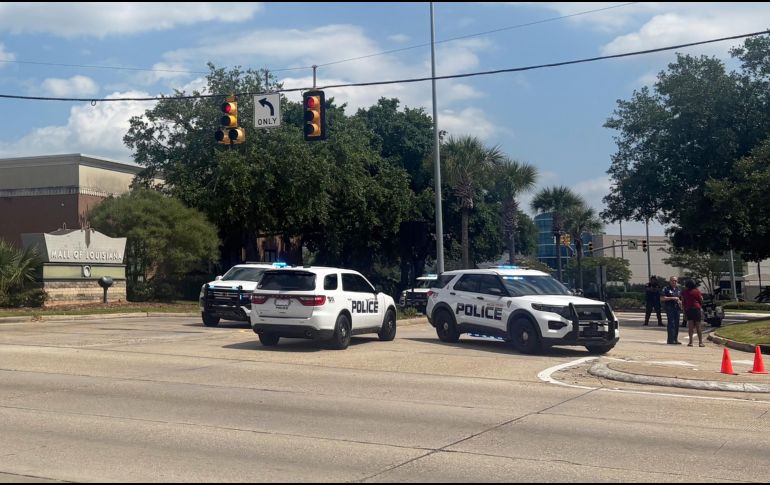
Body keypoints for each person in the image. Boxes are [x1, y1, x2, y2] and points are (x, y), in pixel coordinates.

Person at [682, 279, 705, 347]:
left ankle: (690, 342)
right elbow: (701, 299)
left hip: (689, 309)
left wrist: (684, 311)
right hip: (696, 308)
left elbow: (683, 302)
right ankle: (700, 342)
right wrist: (700, 305)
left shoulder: (684, 292)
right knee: (698, 326)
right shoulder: (697, 291)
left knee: (690, 326)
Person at [661, 276, 683, 345]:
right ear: (670, 281)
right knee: (671, 323)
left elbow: (680, 298)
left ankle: (675, 339)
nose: (674, 282)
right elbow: (662, 298)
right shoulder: (666, 288)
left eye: (675, 281)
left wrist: (680, 302)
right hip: (670, 308)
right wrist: (672, 298)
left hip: (677, 309)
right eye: (673, 280)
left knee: (676, 324)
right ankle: (670, 340)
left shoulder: (678, 289)